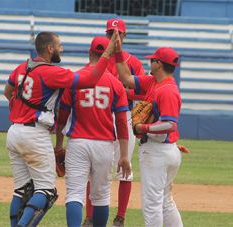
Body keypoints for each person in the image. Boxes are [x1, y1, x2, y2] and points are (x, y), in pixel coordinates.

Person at [3, 31, 118, 227]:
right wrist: (107, 54)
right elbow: (89, 81)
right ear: (50, 49)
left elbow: (7, 92)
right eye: (59, 45)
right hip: (34, 133)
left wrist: (20, 111)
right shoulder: (52, 72)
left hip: (14, 131)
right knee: (46, 191)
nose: (61, 49)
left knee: (21, 190)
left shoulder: (22, 67)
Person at [54, 36, 131, 227]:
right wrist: (123, 154)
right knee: (101, 195)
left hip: (78, 142)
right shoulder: (116, 84)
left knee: (74, 193)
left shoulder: (76, 78)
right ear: (110, 56)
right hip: (105, 145)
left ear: (89, 53)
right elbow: (122, 122)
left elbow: (62, 116)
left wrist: (58, 144)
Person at [114, 37, 184, 227]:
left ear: (158, 64)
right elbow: (126, 78)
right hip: (165, 149)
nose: (149, 62)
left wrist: (141, 127)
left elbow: (170, 124)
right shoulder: (154, 82)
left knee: (152, 204)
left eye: (152, 60)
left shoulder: (167, 90)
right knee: (165, 202)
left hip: (157, 151)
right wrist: (118, 52)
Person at [83, 18, 146, 227]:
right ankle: (90, 217)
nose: (114, 37)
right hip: (98, 115)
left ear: (125, 36)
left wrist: (120, 90)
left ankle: (120, 217)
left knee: (124, 170)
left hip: (123, 115)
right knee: (94, 168)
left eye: (118, 33)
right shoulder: (98, 58)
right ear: (106, 34)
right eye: (111, 33)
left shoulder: (133, 62)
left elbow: (142, 92)